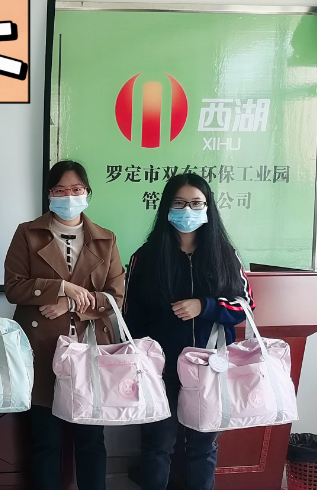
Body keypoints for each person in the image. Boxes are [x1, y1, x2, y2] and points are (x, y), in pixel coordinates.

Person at [123, 173, 253, 490]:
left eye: (196, 203)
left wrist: (205, 306)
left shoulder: (225, 254)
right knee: (157, 446)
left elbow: (245, 306)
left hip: (210, 367)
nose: (188, 210)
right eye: (179, 203)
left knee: (202, 447)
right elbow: (130, 319)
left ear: (208, 208)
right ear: (167, 208)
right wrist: (142, 363)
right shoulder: (146, 256)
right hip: (160, 369)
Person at [4, 160, 125, 490]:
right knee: (45, 441)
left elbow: (115, 296)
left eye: (76, 189)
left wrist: (71, 303)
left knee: (90, 441)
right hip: (41, 350)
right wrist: (60, 287)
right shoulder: (27, 233)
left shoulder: (106, 239)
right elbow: (14, 287)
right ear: (48, 194)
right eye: (59, 190)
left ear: (87, 192)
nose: (68, 197)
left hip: (90, 351)